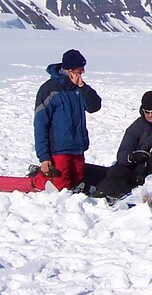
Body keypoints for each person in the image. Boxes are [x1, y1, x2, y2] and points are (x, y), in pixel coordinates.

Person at [94, 91, 152, 199]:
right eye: (147, 112)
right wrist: (131, 158)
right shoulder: (137, 126)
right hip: (141, 170)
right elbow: (122, 154)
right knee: (115, 171)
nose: (150, 115)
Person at [32, 49, 102, 191]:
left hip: (77, 148)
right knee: (61, 188)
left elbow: (94, 106)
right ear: (69, 70)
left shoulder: (78, 88)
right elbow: (40, 125)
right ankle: (37, 180)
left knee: (76, 185)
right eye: (79, 70)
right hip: (59, 150)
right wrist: (44, 156)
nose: (82, 73)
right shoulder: (49, 90)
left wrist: (83, 88)